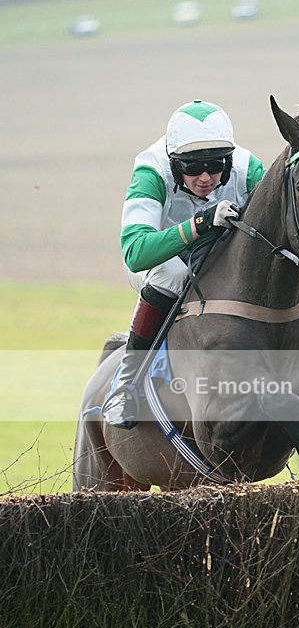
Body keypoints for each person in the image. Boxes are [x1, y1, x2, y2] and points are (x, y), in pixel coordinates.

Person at [102, 99, 266, 429]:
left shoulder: (248, 169)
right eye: (192, 167)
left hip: (220, 257)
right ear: (175, 163)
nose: (205, 177)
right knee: (174, 272)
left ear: (229, 159)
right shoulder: (151, 171)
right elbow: (135, 252)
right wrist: (200, 224)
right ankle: (126, 384)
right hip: (159, 263)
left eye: (215, 165)